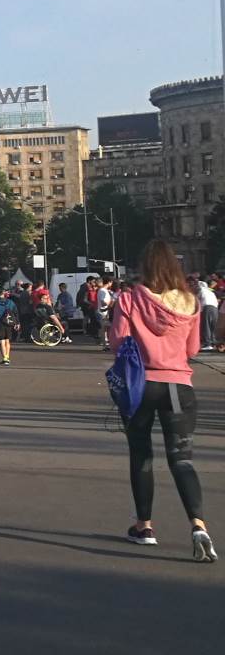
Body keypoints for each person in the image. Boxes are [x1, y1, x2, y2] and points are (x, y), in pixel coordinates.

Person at [109, 240, 214, 561]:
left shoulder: (129, 299)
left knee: (141, 454)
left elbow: (118, 342)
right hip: (178, 386)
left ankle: (145, 527)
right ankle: (198, 526)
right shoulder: (190, 302)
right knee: (182, 459)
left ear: (145, 267)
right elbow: (193, 349)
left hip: (141, 386)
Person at [198, 275, 218, 352]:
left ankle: (207, 344)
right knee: (212, 326)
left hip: (207, 307)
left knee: (206, 325)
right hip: (215, 308)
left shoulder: (201, 289)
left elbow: (197, 300)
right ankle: (213, 343)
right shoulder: (210, 291)